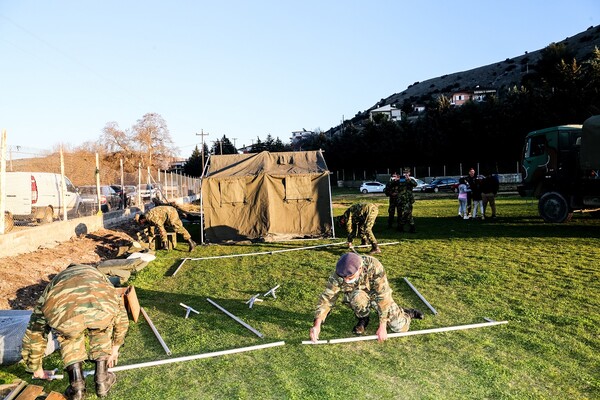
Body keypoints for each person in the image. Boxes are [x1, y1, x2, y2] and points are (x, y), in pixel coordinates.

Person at [21, 264, 129, 400]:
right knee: (102, 329)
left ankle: (77, 388)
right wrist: (115, 347)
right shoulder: (99, 277)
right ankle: (102, 379)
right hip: (100, 310)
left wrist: (35, 366)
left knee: (68, 338)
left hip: (64, 315)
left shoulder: (55, 283)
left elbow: (35, 330)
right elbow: (121, 316)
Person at [309, 252, 423, 343]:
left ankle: (407, 313)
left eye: (349, 277)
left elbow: (383, 296)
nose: (345, 280)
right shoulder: (339, 273)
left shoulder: (374, 266)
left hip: (378, 295)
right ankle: (363, 318)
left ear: (359, 269)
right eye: (343, 277)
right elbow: (327, 298)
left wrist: (382, 326)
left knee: (400, 328)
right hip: (360, 296)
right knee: (356, 296)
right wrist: (317, 325)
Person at [397, 168, 417, 233]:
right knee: (405, 214)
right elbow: (393, 185)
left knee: (407, 213)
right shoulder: (401, 179)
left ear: (409, 173)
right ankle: (409, 227)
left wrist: (408, 179)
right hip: (401, 199)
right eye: (404, 172)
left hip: (408, 200)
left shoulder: (410, 180)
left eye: (407, 173)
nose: (405, 174)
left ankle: (403, 227)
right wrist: (396, 179)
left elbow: (415, 184)